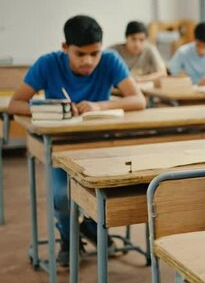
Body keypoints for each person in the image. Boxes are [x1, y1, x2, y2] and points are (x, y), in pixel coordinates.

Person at [8, 15, 146, 266]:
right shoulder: (48, 64)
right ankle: (68, 236)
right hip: (60, 146)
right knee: (61, 195)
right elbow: (15, 104)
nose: (89, 61)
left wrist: (98, 105)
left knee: (104, 192)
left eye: (95, 53)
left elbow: (138, 100)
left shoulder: (110, 61)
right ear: (65, 48)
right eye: (80, 54)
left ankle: (92, 227)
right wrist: (53, 109)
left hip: (99, 144)